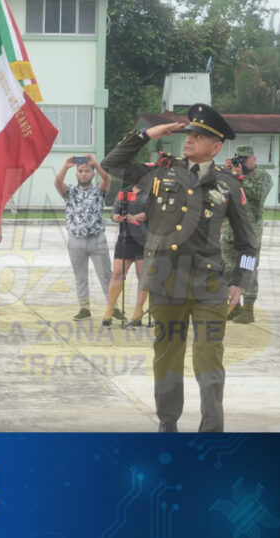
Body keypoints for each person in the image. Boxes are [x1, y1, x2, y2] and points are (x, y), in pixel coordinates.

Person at [101, 103, 258, 433]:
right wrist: (148, 133)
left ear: (216, 147)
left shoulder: (229, 185)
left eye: (199, 137)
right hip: (166, 285)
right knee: (167, 358)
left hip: (209, 288)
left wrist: (240, 282)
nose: (189, 140)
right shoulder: (160, 172)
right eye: (189, 134)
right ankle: (167, 425)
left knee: (209, 360)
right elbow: (111, 164)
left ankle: (211, 431)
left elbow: (248, 243)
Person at [54, 154, 113, 321]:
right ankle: (84, 308)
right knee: (80, 276)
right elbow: (57, 183)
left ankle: (112, 307)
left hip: (97, 239)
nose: (84, 173)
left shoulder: (98, 191)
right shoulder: (70, 192)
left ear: (93, 174)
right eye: (81, 171)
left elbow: (107, 180)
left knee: (106, 275)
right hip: (76, 240)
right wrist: (66, 166)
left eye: (88, 171)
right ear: (76, 174)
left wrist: (96, 164)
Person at [221, 146, 273, 324]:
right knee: (227, 268)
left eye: (245, 159)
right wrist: (228, 174)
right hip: (229, 230)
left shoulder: (262, 176)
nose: (242, 162)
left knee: (247, 269)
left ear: (254, 159)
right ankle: (234, 306)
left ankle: (249, 308)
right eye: (239, 159)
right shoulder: (231, 175)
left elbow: (259, 195)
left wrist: (240, 178)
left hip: (249, 232)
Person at [101, 184, 149, 328]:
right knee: (117, 274)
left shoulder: (151, 192)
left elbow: (151, 213)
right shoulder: (124, 192)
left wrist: (134, 217)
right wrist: (116, 217)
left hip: (144, 239)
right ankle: (109, 310)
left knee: (142, 276)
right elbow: (114, 212)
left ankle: (137, 313)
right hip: (125, 238)